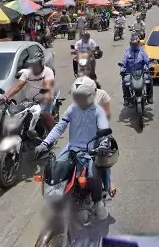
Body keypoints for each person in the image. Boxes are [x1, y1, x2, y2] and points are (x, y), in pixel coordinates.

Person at [35, 77, 111, 220]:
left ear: (91, 95)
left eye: (81, 97)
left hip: (91, 152)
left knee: (93, 176)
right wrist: (45, 143)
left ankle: (98, 202)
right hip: (72, 149)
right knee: (55, 169)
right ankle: (63, 203)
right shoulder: (72, 109)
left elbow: (104, 128)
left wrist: (103, 144)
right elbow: (59, 128)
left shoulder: (98, 111)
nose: (78, 100)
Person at [0, 54, 56, 131]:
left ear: (41, 63)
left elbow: (48, 86)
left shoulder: (47, 71)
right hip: (30, 100)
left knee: (45, 114)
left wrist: (45, 97)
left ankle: (54, 133)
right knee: (19, 113)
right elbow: (18, 86)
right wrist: (6, 97)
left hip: (45, 98)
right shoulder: (27, 73)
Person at [120, 35, 154, 104]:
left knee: (149, 79)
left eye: (135, 44)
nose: (134, 46)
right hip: (130, 73)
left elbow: (147, 60)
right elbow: (123, 62)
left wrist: (150, 67)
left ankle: (149, 96)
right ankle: (127, 98)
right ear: (130, 44)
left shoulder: (142, 52)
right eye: (132, 44)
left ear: (138, 43)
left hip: (141, 73)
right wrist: (122, 70)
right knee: (125, 81)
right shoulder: (127, 53)